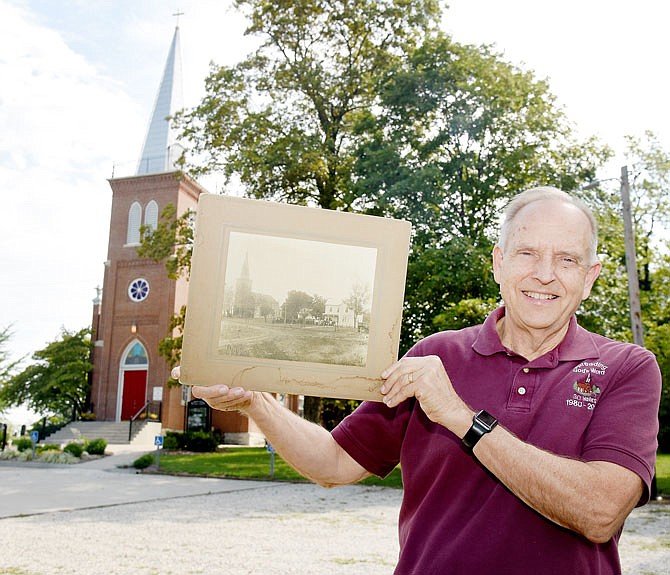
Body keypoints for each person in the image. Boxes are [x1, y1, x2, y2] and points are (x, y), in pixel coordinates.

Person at [182, 187, 661, 574]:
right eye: (527, 253)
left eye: (567, 260)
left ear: (591, 276)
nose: (544, 274)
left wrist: (462, 418)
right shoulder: (436, 355)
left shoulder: (627, 367)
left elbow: (600, 512)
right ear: (498, 263)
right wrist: (256, 404)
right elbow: (332, 463)